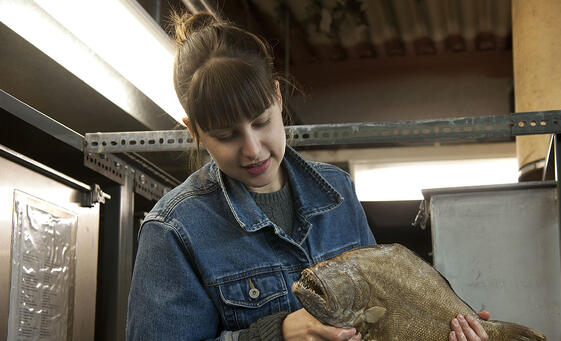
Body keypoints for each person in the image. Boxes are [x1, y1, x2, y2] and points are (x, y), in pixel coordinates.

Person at [126, 11, 489, 341]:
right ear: (195, 132)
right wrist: (276, 335)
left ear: (278, 98)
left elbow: (383, 317)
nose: (252, 149)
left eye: (261, 122)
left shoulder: (339, 191)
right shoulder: (172, 229)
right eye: (226, 135)